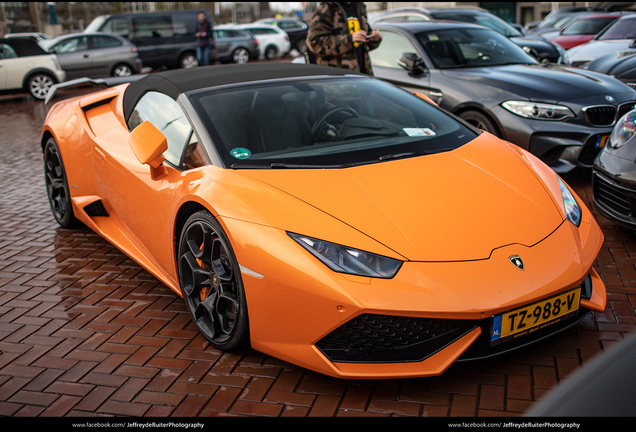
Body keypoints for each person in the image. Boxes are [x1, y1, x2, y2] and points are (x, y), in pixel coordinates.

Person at [306, 2, 382, 75]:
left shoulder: (358, 6)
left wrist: (373, 39)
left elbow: (362, 44)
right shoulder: (326, 8)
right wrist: (349, 39)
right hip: (338, 80)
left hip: (362, 77)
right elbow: (315, 43)